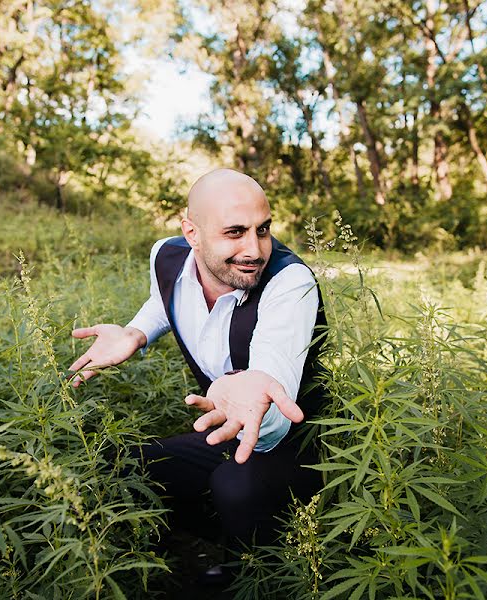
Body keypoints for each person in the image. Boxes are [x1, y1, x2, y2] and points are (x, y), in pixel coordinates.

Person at [68, 168, 326, 583]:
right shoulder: (165, 257)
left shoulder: (288, 283)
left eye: (263, 230)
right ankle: (203, 549)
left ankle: (262, 574)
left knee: (234, 487)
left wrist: (254, 388)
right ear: (191, 232)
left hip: (298, 442)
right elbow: (166, 299)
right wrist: (137, 333)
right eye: (235, 232)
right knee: (130, 467)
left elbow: (273, 409)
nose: (255, 249)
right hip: (225, 426)